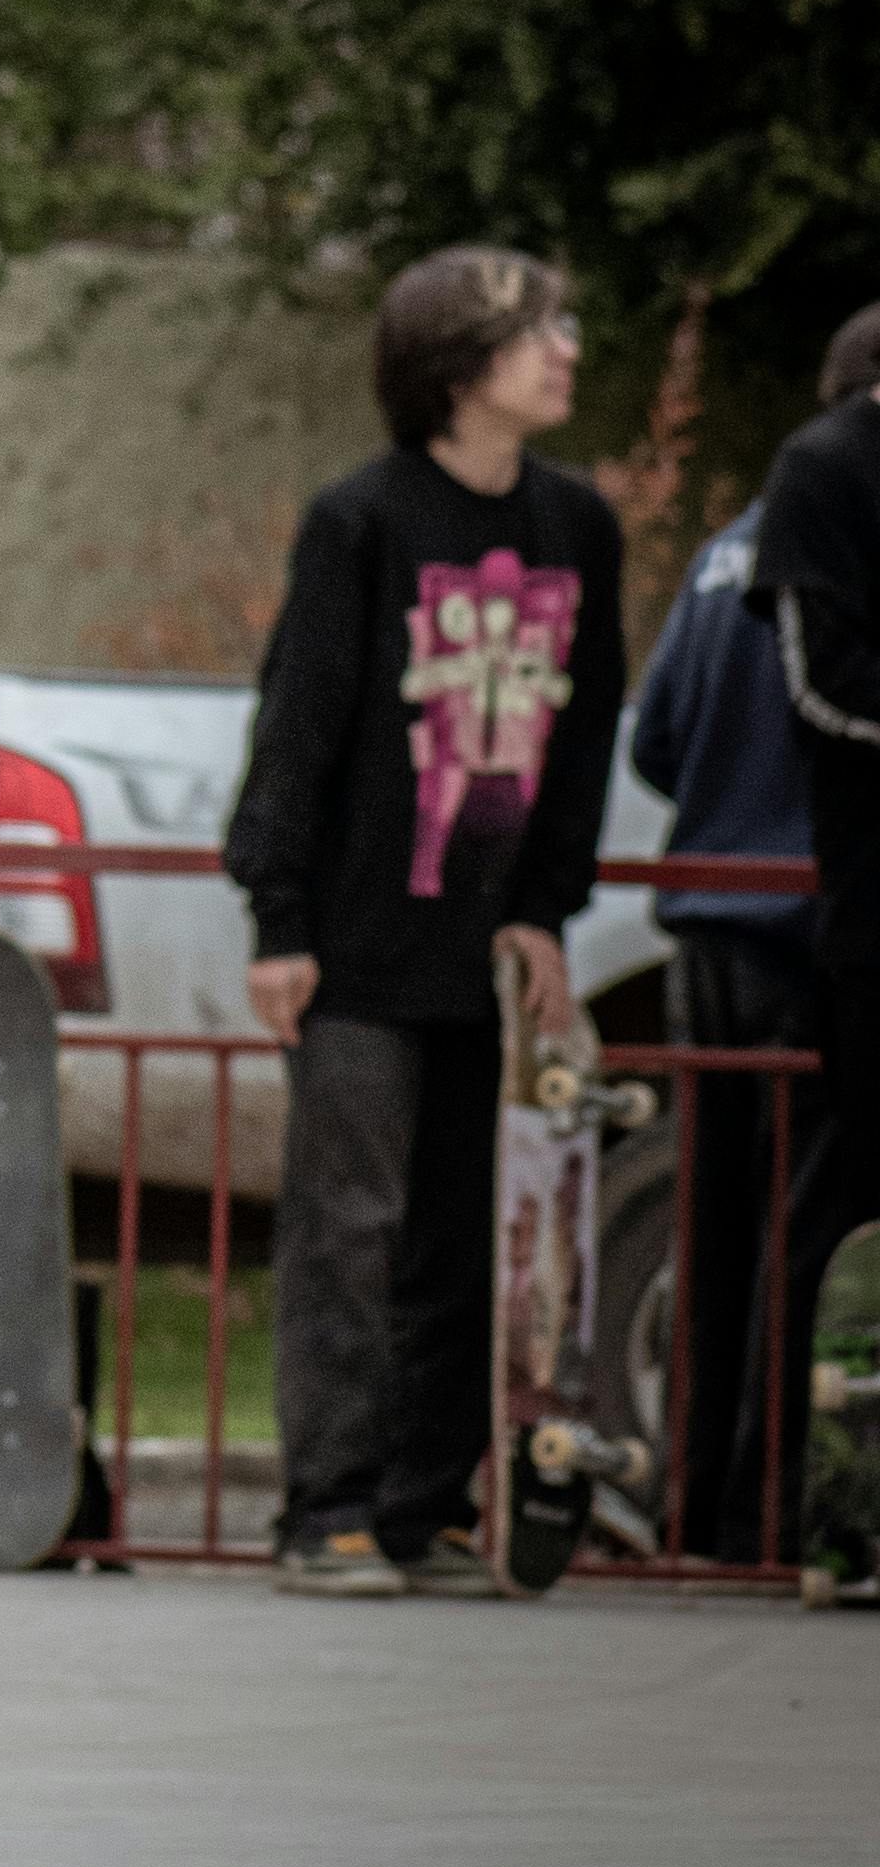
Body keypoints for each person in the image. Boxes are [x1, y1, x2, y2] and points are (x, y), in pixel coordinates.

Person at [226, 244, 626, 1598]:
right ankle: (325, 1506)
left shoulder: (581, 529)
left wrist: (545, 913)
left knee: (464, 1232)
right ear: (458, 370)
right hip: (355, 939)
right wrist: (277, 919)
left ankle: (426, 1501)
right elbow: (301, 724)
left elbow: (584, 744)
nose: (565, 352)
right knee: (351, 1225)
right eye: (536, 334)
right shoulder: (366, 522)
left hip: (485, 940)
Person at [626, 376, 839, 1556]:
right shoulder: (842, 547)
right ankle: (771, 1509)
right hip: (807, 935)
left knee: (706, 1233)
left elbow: (656, 739)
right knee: (799, 1235)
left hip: (701, 930)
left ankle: (691, 1511)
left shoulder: (721, 554)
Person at [740, 296, 880, 1554]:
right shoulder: (827, 466)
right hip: (873, 912)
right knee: (843, 1197)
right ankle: (784, 1493)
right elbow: (820, 686)